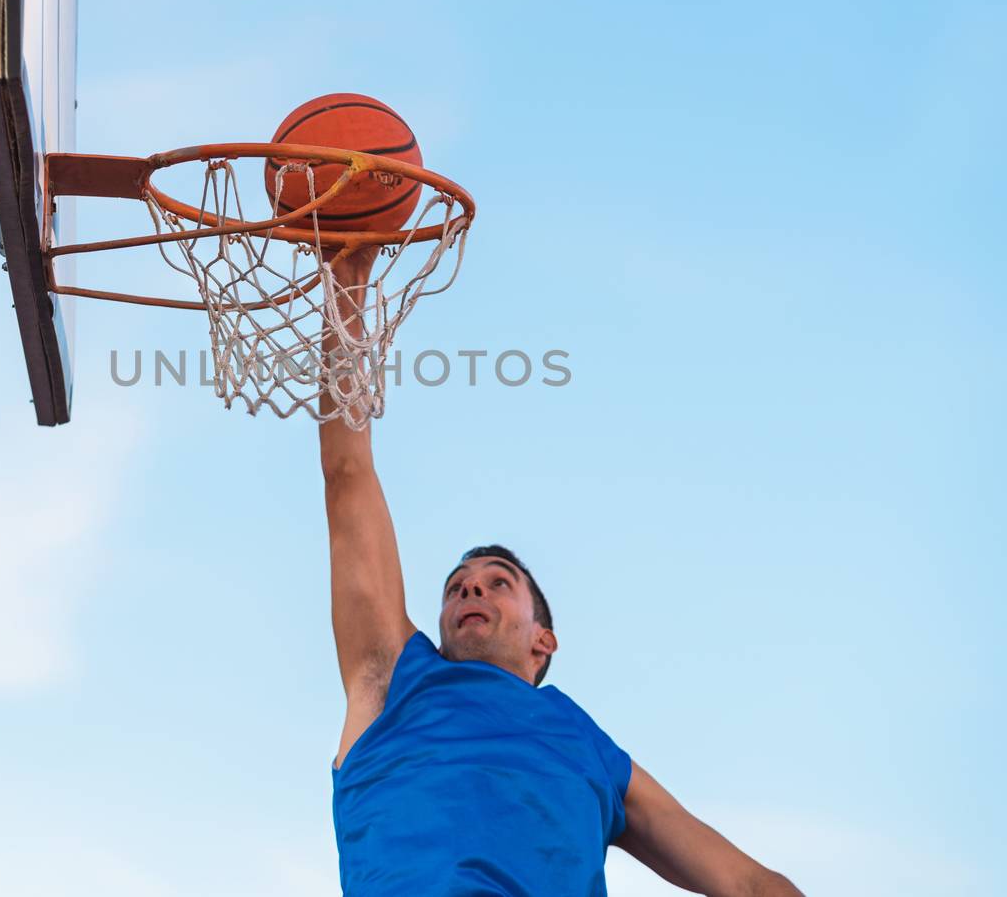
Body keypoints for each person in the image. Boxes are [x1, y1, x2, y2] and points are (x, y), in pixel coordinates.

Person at [320, 249, 804, 897]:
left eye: (499, 582)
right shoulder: (394, 676)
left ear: (542, 639)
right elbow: (348, 473)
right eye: (457, 585)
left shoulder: (591, 750)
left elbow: (746, 882)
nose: (470, 587)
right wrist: (347, 279)